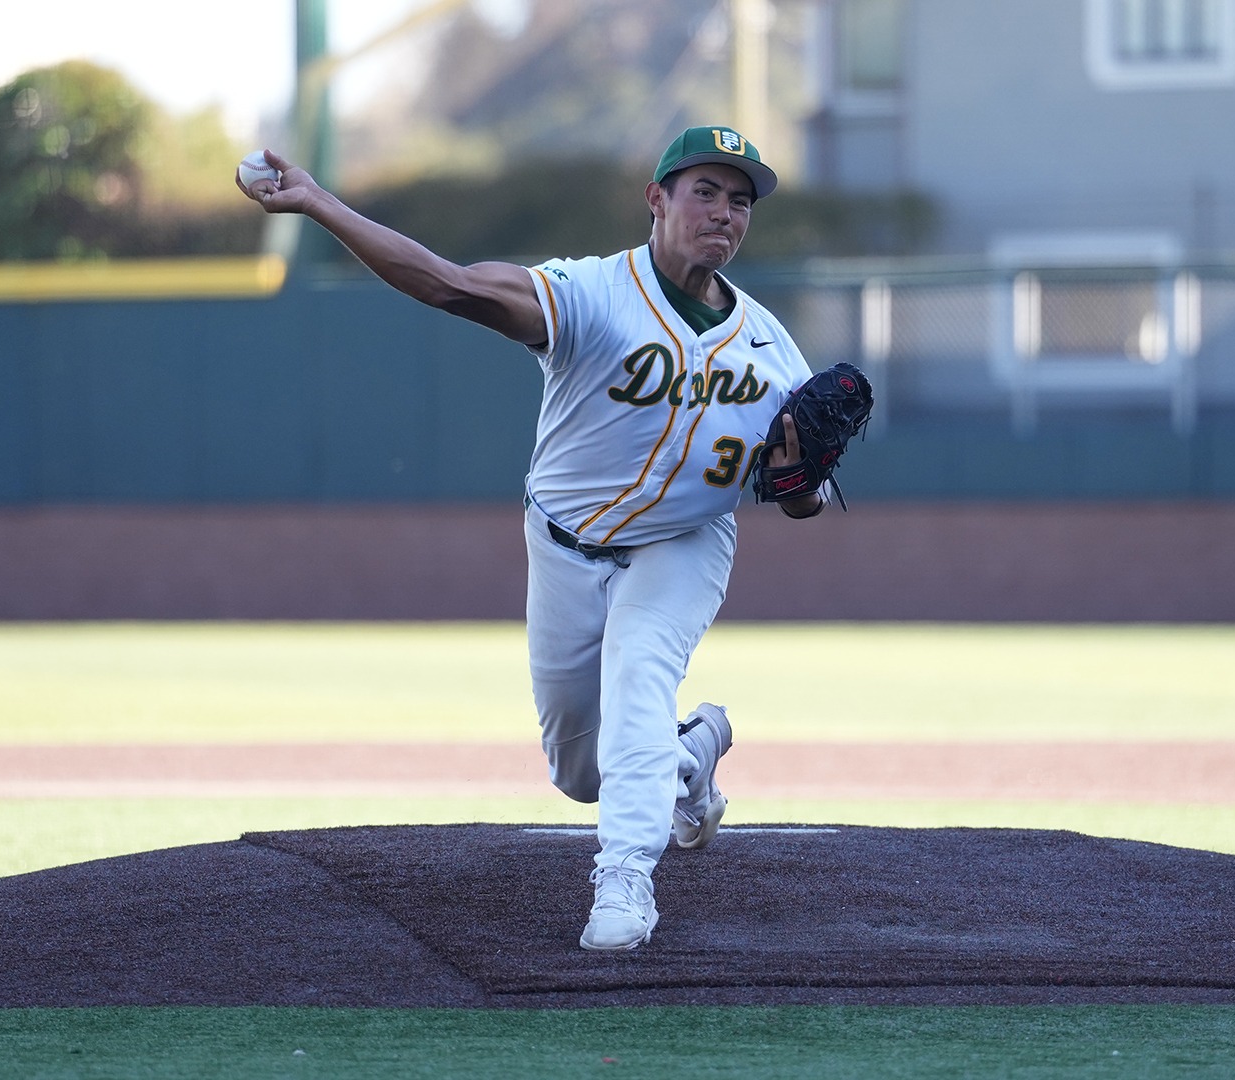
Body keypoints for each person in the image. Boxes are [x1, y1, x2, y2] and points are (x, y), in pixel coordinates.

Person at [238, 126, 828, 951]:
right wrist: (319, 204)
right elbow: (446, 284)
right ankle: (687, 755)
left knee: (639, 669)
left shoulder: (774, 353)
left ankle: (623, 881)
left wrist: (801, 481)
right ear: (656, 201)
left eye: (741, 200)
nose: (725, 212)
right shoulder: (590, 294)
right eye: (705, 190)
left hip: (683, 544)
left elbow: (804, 503)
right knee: (580, 771)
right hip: (563, 543)